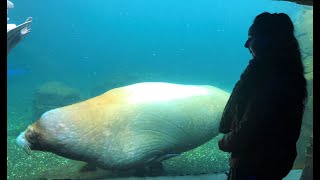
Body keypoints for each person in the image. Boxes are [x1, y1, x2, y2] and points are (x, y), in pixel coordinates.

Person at [218, 12, 307, 180]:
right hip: (272, 161)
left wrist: (225, 143)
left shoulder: (269, 77)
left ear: (269, 41)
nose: (246, 44)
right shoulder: (289, 73)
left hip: (256, 164)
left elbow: (251, 125)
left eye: (252, 37)